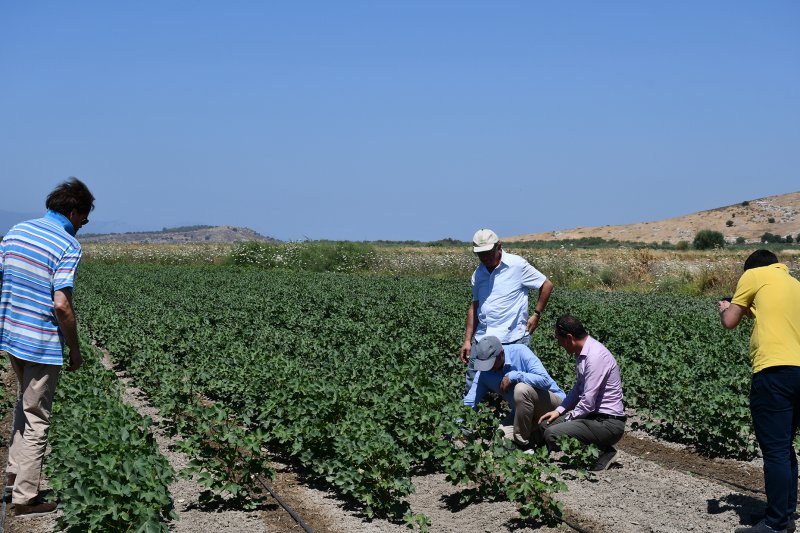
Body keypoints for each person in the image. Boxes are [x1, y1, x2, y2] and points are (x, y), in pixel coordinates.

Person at [1, 178, 94, 517]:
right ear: (73, 211)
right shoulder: (67, 245)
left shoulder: (16, 232)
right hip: (40, 342)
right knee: (37, 416)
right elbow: (62, 306)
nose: (83, 224)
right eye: (84, 218)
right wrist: (75, 349)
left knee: (23, 406)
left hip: (11, 335)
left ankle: (14, 478)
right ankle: (26, 498)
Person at [719, 249, 800, 533]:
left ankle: (776, 524)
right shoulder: (794, 284)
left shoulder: (753, 275)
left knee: (776, 450)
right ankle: (786, 515)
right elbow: (774, 319)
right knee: (786, 447)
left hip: (774, 371)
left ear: (751, 269)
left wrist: (725, 309)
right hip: (798, 371)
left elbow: (731, 321)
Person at [460, 228, 553, 394]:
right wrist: (468, 340)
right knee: (473, 382)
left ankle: (516, 418)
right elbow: (474, 306)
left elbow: (546, 285)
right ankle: (470, 417)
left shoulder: (517, 265)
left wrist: (536, 314)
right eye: (480, 254)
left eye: (488, 253)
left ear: (499, 247)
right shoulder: (478, 273)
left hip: (512, 338)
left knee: (516, 387)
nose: (485, 258)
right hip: (483, 338)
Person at [539, 314, 626, 472]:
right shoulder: (583, 354)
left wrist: (568, 420)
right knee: (546, 425)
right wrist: (558, 411)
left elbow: (587, 401)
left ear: (569, 338)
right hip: (593, 418)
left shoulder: (595, 356)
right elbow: (578, 390)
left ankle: (604, 451)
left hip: (608, 423)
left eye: (560, 340)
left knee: (552, 433)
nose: (560, 345)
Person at [463, 336, 565, 449]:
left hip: (552, 405)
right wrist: (457, 423)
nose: (488, 369)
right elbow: (470, 400)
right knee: (499, 437)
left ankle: (523, 443)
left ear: (501, 354)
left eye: (490, 364)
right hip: (522, 415)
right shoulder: (484, 374)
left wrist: (514, 376)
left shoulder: (520, 351)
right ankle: (539, 433)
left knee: (521, 389)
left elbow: (545, 381)